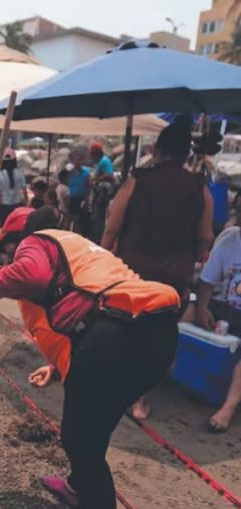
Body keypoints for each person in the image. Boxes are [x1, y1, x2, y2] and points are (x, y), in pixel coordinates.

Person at [0, 207, 180, 509]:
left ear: (18, 239)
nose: (8, 256)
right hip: (155, 330)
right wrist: (59, 365)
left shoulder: (37, 241)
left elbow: (30, 275)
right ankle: (79, 488)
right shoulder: (78, 245)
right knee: (95, 422)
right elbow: (81, 305)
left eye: (7, 249)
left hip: (117, 337)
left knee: (81, 442)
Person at [102, 117, 214, 420]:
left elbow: (113, 226)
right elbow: (205, 238)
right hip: (172, 279)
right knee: (156, 337)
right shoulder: (199, 187)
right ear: (185, 154)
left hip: (132, 272)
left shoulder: (138, 178)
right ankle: (141, 400)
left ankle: (115, 388)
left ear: (158, 149)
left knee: (125, 329)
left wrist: (100, 255)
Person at [195, 225, 241, 432]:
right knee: (185, 312)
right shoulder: (230, 239)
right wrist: (201, 308)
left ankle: (228, 408)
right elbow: (207, 281)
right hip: (225, 307)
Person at [88, 142, 115, 243]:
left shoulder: (104, 161)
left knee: (100, 217)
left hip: (102, 195)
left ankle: (100, 239)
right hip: (98, 194)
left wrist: (96, 179)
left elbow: (110, 175)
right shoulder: (100, 162)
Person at [0, 148, 28, 225]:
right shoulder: (20, 173)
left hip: (5, 207)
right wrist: (26, 205)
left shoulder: (0, 175)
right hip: (18, 206)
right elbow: (24, 191)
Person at [68, 152, 91, 234]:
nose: (78, 162)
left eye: (80, 160)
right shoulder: (69, 173)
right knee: (73, 218)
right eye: (76, 160)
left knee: (81, 218)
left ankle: (81, 233)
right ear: (73, 161)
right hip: (72, 198)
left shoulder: (86, 173)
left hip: (82, 198)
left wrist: (87, 200)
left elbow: (89, 186)